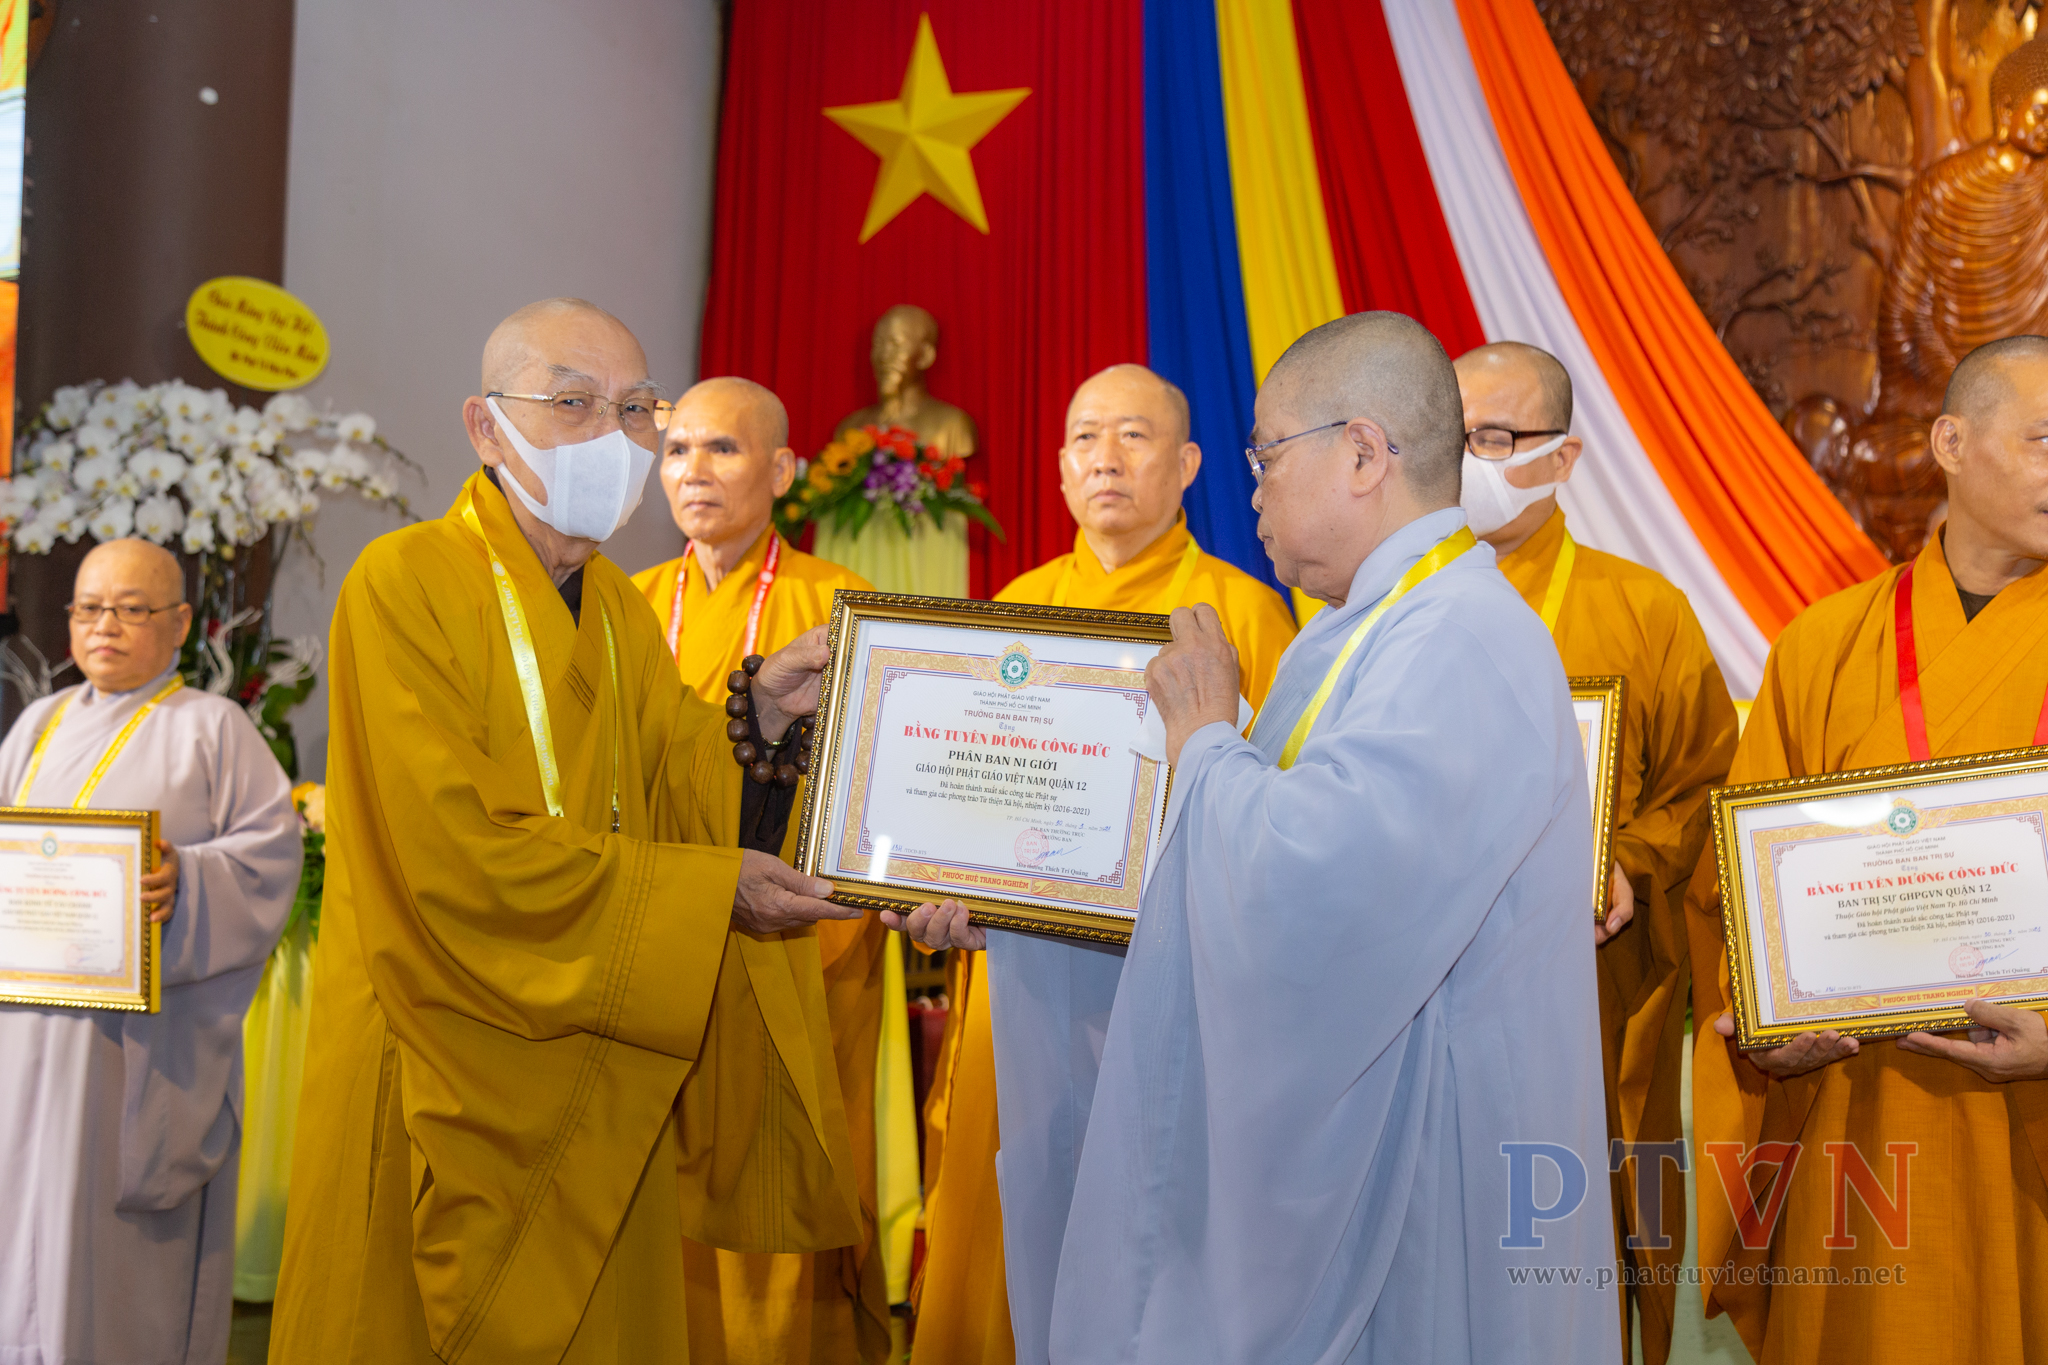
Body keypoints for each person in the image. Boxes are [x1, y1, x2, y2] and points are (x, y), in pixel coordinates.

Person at [897, 314, 1616, 1362]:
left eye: (1266, 458)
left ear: (1363, 453)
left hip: (1429, 1169)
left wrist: (1204, 736)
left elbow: (1312, 896)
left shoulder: (1456, 636)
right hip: (1376, 1151)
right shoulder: (1358, 628)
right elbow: (1239, 856)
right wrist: (1027, 905)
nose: (1253, 496)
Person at [271, 299, 865, 1363]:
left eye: (635, 409)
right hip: (444, 1051)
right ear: (486, 427)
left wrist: (764, 713)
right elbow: (452, 853)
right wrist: (706, 892)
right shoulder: (403, 583)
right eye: (573, 402)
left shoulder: (617, 610)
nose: (612, 434)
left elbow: (677, 773)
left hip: (596, 1064)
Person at [909, 363, 1296, 1365]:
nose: (1105, 458)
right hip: (1022, 975)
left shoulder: (1242, 613)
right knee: (1008, 1204)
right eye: (1085, 437)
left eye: (1133, 434)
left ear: (1189, 463)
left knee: (1154, 1226)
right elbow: (970, 797)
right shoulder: (1020, 604)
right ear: (1058, 467)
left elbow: (1273, 814)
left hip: (1173, 979)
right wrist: (945, 878)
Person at [1689, 335, 2048, 1362]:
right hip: (1857, 1116)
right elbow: (1734, 896)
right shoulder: (1824, 646)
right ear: (1950, 443)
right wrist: (1765, 1028)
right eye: (2044, 439)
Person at [1455, 341, 1738, 1365]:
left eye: (1493, 437)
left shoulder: (1642, 609)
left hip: (1592, 992)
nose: (1466, 460)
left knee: (1578, 1242)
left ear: (1563, 457)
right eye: (1450, 434)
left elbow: (1707, 784)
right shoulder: (1375, 607)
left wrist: (1626, 861)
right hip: (1423, 992)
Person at [630, 376, 890, 1364]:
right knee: (656, 1180)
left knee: (789, 1168)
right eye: (676, 450)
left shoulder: (839, 603)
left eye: (722, 449)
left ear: (782, 469)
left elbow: (879, 782)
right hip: (661, 939)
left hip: (795, 947)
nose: (693, 471)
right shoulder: (628, 604)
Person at [0, 538, 301, 1365]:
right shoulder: (38, 725)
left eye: (132, 609)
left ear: (180, 624)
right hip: (26, 1038)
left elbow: (270, 859)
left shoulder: (212, 727)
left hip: (133, 1049)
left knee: (109, 1253)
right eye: (90, 608)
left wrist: (187, 882)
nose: (106, 626)